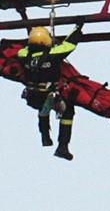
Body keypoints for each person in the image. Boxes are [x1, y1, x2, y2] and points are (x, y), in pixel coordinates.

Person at [17, 23, 84, 160]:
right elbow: (69, 45)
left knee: (43, 110)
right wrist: (78, 27)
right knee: (68, 112)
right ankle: (62, 146)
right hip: (49, 95)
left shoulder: (24, 55)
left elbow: (23, 49)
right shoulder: (52, 54)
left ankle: (45, 136)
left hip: (33, 97)